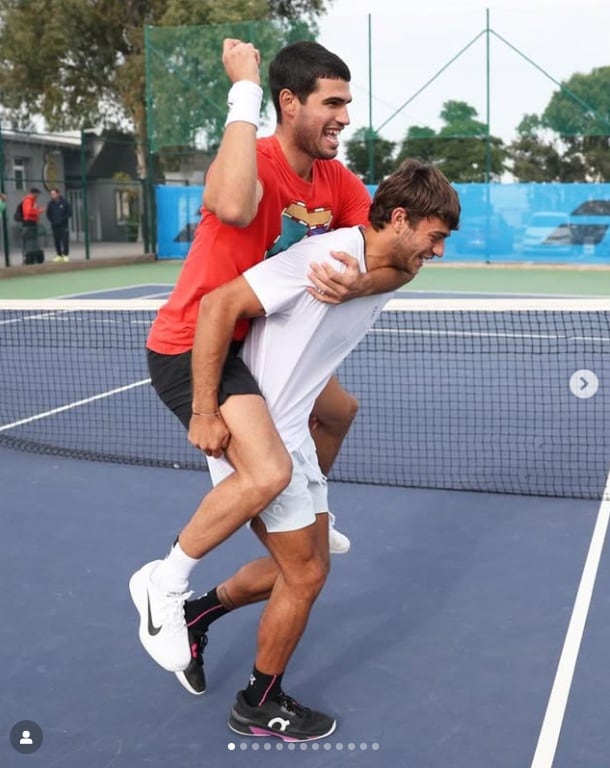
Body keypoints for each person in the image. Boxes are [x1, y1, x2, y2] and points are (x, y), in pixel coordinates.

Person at [134, 158, 460, 741]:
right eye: (434, 237)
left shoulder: (389, 264)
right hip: (259, 434)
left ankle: (199, 613)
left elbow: (396, 272)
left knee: (309, 565)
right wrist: (205, 410)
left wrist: (366, 283)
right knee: (305, 573)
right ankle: (256, 698)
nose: (437, 252)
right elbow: (218, 305)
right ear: (401, 219)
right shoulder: (321, 258)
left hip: (294, 432)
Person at [136, 38, 412, 683]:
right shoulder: (254, 160)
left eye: (348, 103)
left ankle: (315, 509)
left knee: (339, 410)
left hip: (257, 344)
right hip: (195, 343)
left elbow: (394, 255)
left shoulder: (337, 182)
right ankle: (163, 583)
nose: (346, 117)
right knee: (267, 472)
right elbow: (234, 207)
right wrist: (243, 89)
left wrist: (361, 283)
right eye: (332, 103)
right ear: (289, 103)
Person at [46, 187, 72, 262]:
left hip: (64, 226)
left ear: (58, 194)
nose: (52, 195)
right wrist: (53, 221)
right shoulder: (50, 204)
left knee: (65, 240)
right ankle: (59, 255)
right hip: (55, 226)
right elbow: (48, 214)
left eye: (53, 194)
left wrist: (62, 220)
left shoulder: (65, 202)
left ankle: (65, 255)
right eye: (51, 194)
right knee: (56, 241)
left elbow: (69, 213)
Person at [21, 187, 46, 264]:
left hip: (32, 222)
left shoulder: (33, 200)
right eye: (37, 194)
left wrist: (38, 211)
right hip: (29, 223)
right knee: (30, 241)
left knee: (34, 240)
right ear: (34, 193)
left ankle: (34, 256)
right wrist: (38, 211)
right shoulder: (28, 200)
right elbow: (28, 211)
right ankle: (30, 257)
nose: (38, 196)